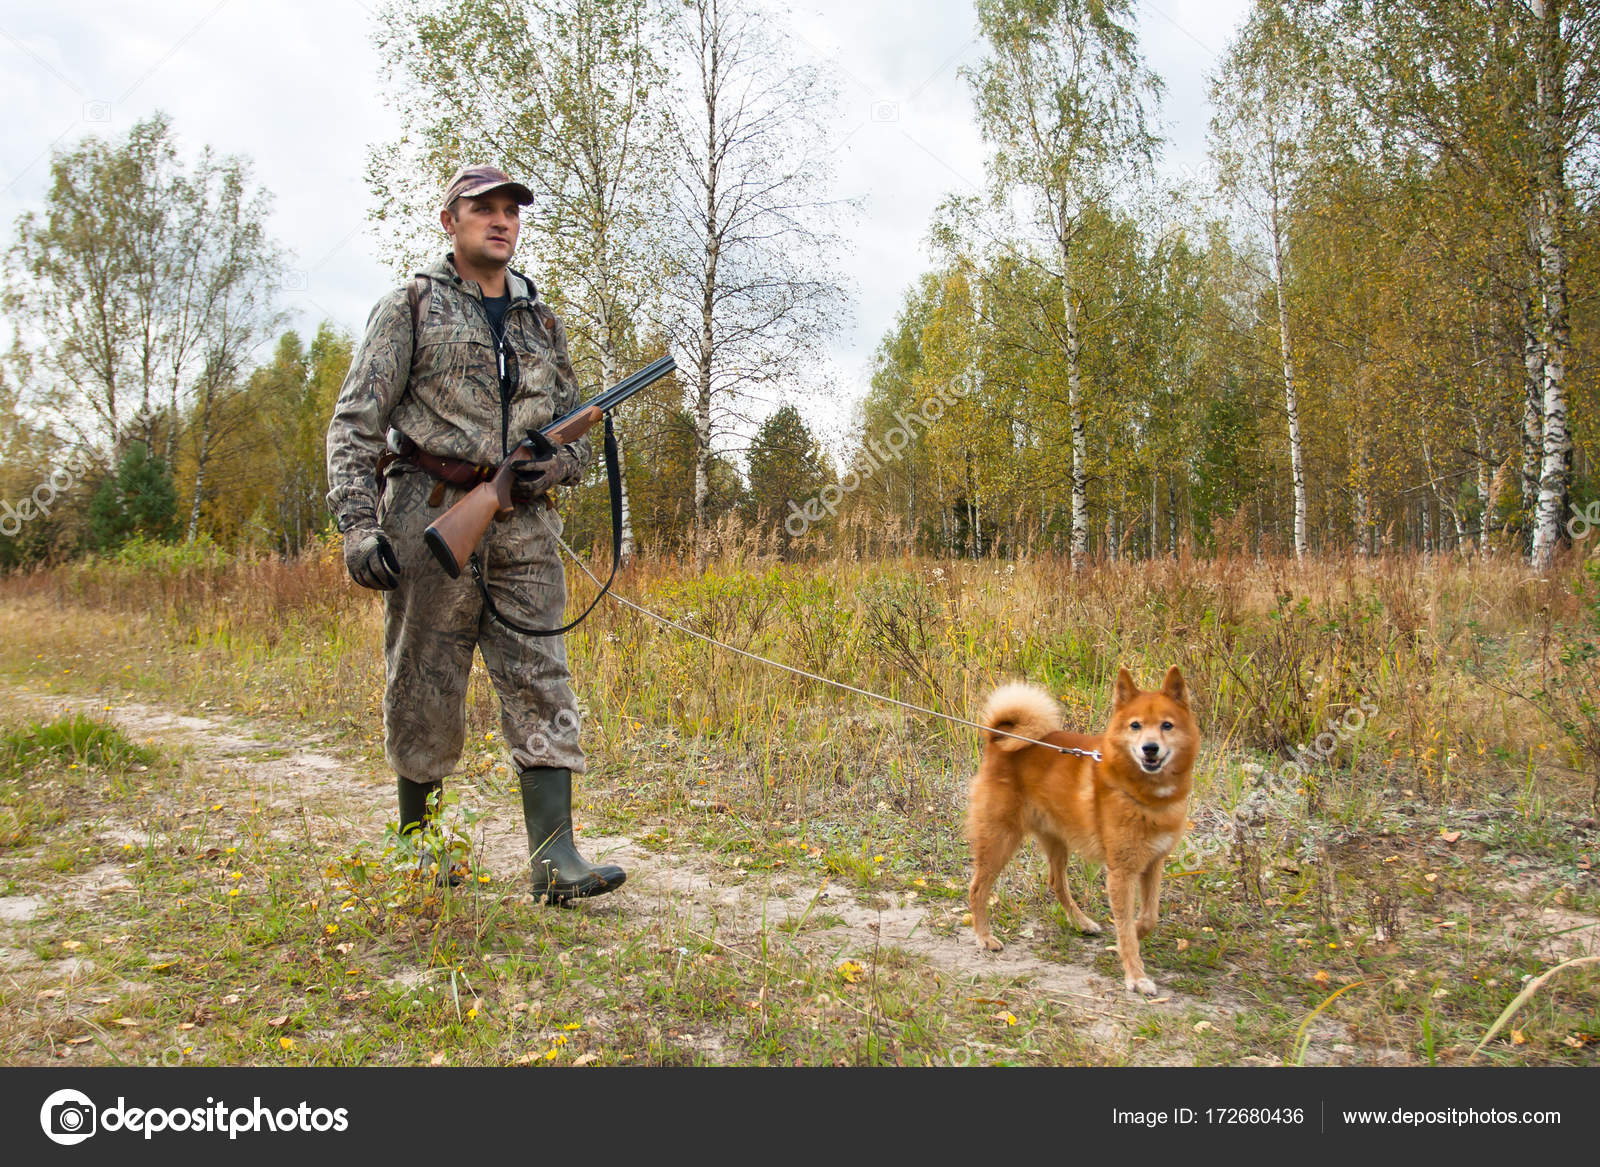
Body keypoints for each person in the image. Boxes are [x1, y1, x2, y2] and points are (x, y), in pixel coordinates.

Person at [325, 164, 624, 903]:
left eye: (511, 211)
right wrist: (360, 529)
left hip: (523, 532)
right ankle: (422, 854)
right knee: (424, 682)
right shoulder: (411, 307)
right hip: (428, 519)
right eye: (482, 209)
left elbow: (577, 441)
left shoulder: (541, 322)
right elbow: (355, 424)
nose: (501, 221)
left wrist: (548, 470)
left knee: (541, 676)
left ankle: (556, 859)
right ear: (449, 222)